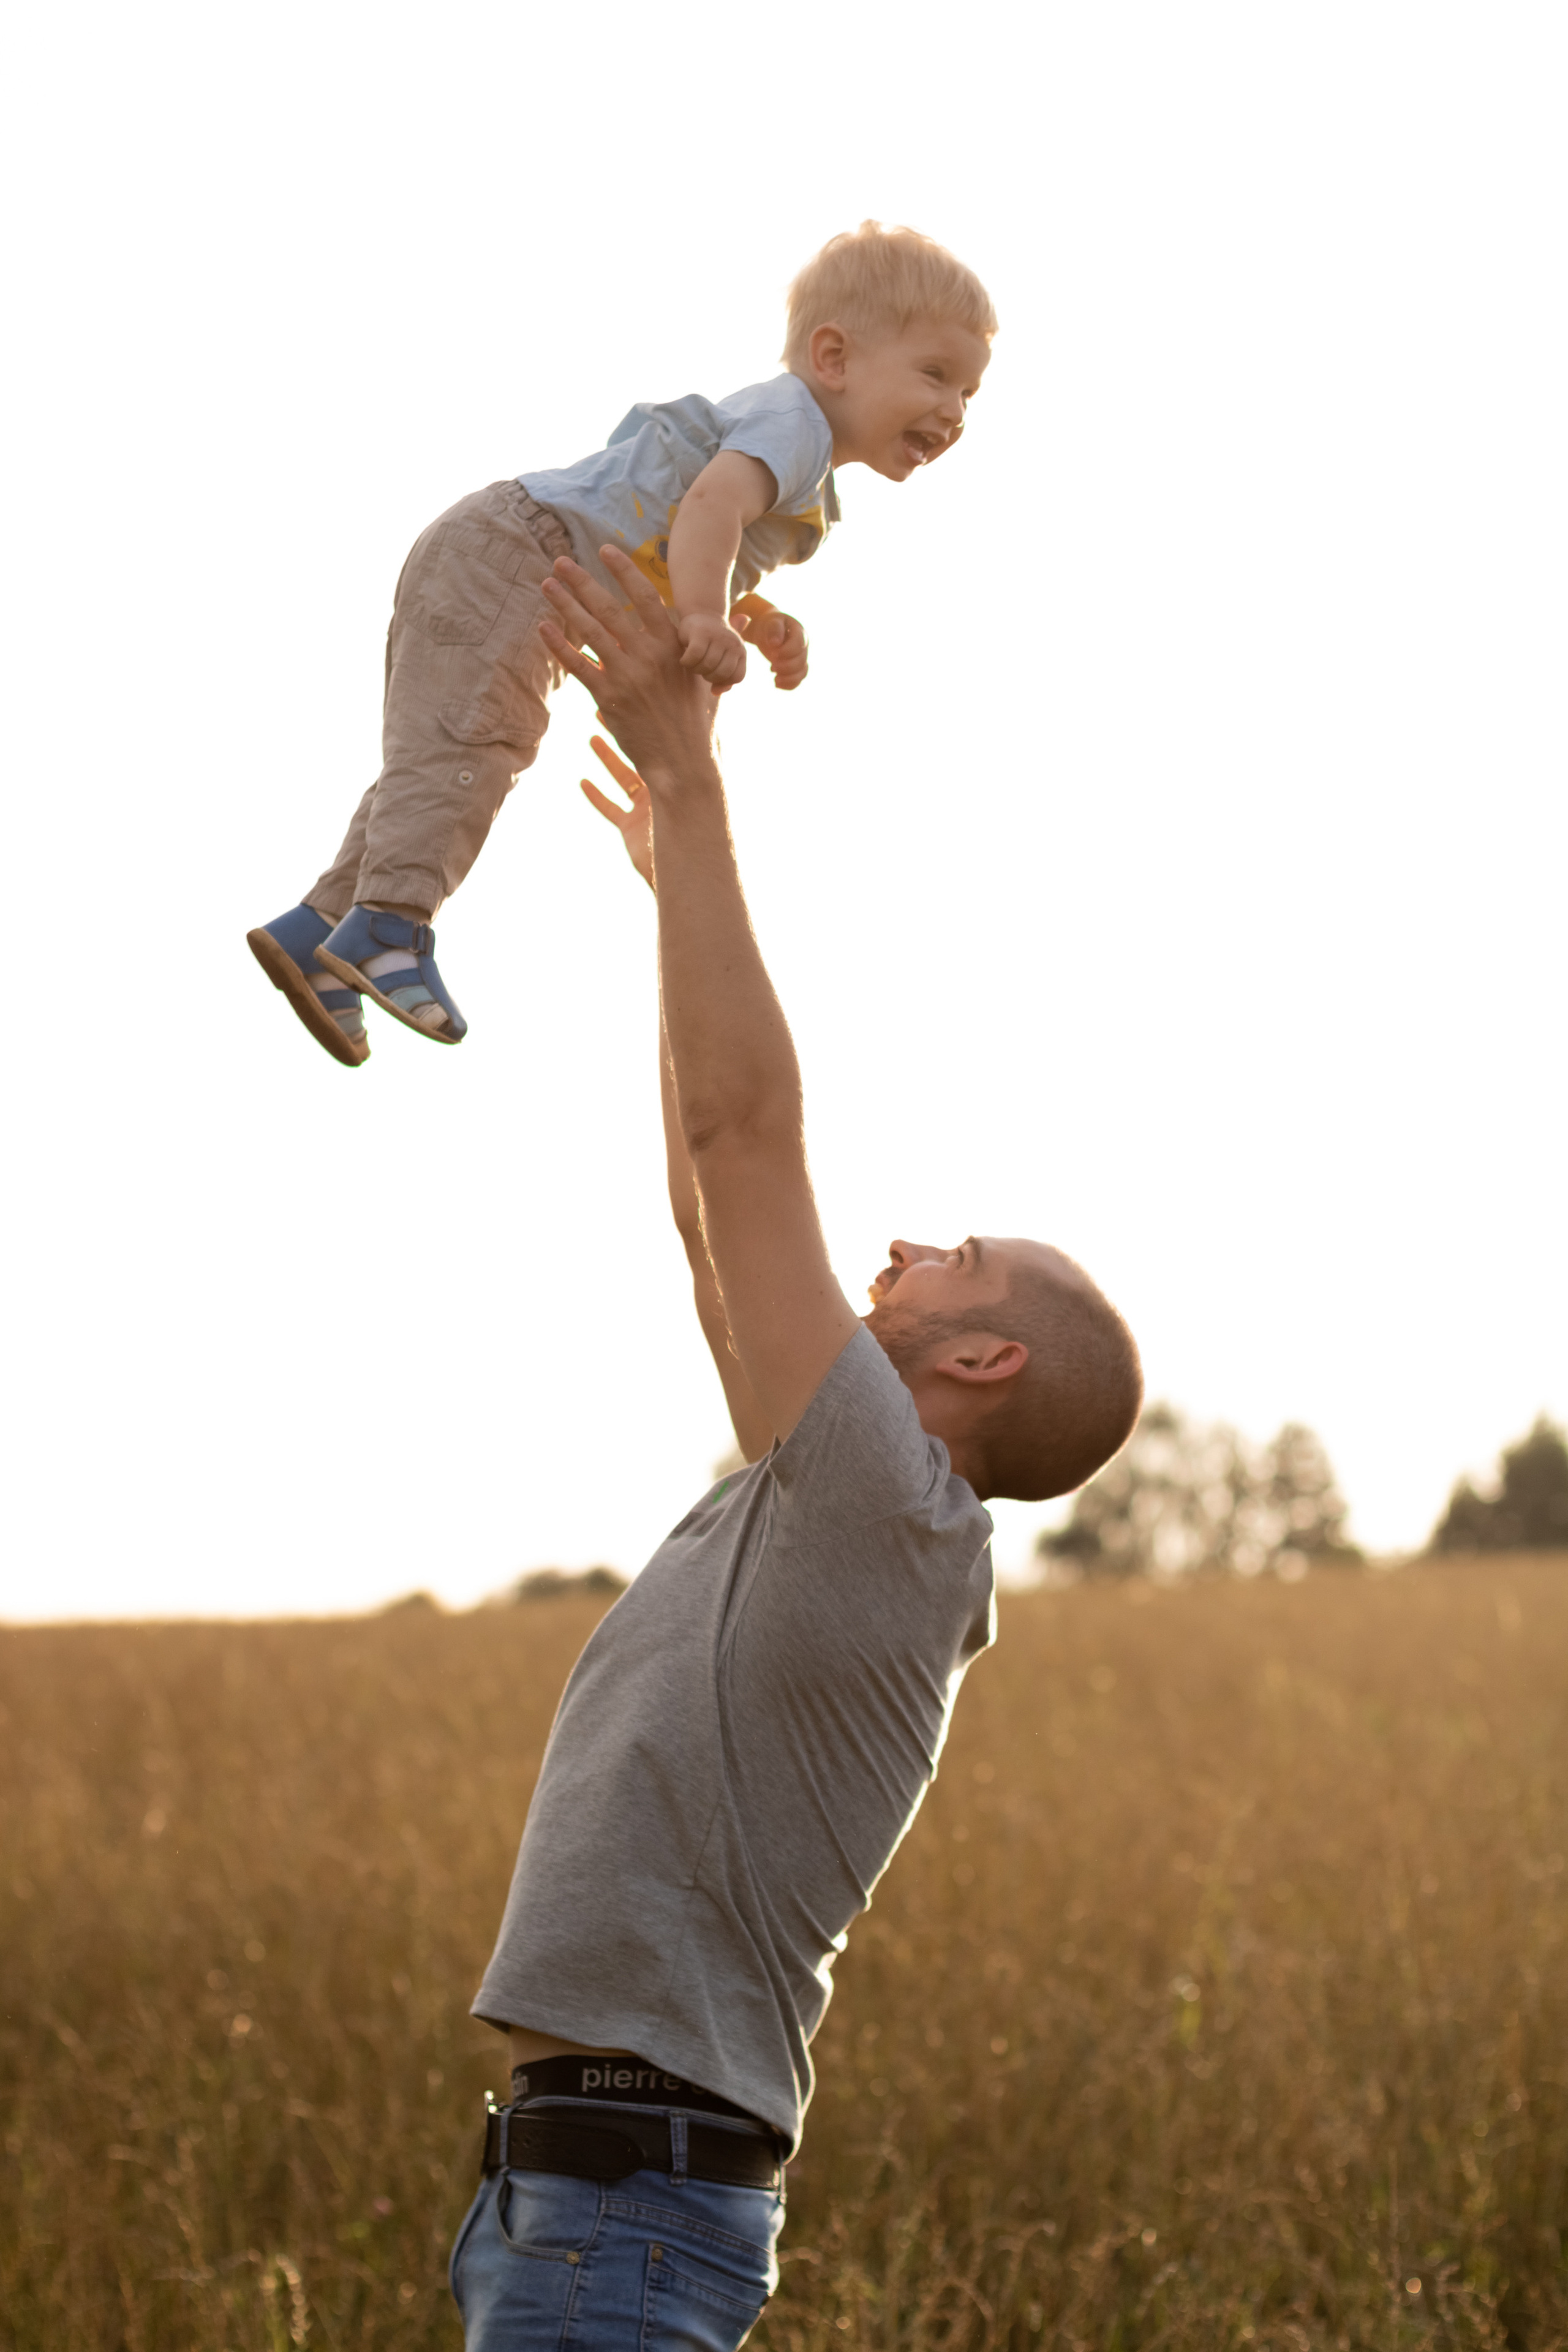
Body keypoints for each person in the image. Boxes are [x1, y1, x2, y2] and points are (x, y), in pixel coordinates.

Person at [447, 549, 1144, 2351]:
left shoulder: (885, 1517)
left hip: (626, 2212)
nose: (902, 1245)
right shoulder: (825, 1496)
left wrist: (697, 789)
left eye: (953, 1255)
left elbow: (748, 1145)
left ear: (983, 1358)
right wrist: (674, 895)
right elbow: (710, 1217)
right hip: (576, 2201)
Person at [245, 222, 996, 1066]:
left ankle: (319, 933)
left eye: (970, 393)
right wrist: (707, 619)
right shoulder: (796, 430)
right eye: (936, 375)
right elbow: (710, 509)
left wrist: (750, 615)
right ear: (834, 357)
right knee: (478, 743)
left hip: (513, 555)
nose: (954, 411)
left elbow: (688, 539)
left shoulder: (792, 458)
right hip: (525, 556)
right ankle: (391, 924)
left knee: (440, 749)